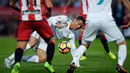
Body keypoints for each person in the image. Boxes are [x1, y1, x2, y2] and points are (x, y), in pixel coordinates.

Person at [63, 0, 128, 73]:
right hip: (106, 19)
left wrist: (66, 6)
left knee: (84, 44)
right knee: (121, 43)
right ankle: (120, 64)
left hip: (91, 19)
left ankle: (74, 62)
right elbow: (126, 2)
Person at [5, 15, 86, 68]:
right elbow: (50, 19)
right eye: (78, 23)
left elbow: (73, 49)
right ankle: (9, 59)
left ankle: (18, 59)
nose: (78, 27)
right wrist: (56, 24)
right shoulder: (64, 19)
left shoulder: (71, 35)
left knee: (42, 59)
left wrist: (76, 63)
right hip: (42, 29)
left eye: (80, 26)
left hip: (46, 40)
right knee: (31, 43)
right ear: (75, 20)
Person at [9, 0, 55, 73]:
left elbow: (11, 4)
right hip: (39, 20)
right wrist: (49, 12)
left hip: (25, 20)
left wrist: (20, 10)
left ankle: (17, 63)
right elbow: (49, 5)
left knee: (20, 46)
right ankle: (48, 63)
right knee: (51, 40)